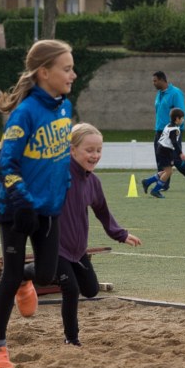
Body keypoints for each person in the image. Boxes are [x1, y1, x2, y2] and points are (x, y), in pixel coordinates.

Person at [0, 39, 75, 368]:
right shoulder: (24, 114)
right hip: (17, 210)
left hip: (49, 208)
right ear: (44, 72)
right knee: (8, 277)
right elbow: (6, 164)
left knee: (48, 273)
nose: (73, 75)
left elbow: (62, 156)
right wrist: (22, 202)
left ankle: (26, 278)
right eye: (67, 69)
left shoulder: (65, 107)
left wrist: (63, 190)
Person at [57, 123, 142, 347]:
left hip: (77, 249)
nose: (95, 155)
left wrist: (120, 234)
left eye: (99, 150)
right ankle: (72, 339)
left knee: (91, 290)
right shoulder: (56, 173)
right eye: (89, 150)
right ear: (72, 150)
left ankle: (27, 272)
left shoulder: (93, 183)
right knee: (71, 289)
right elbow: (22, 183)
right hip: (53, 245)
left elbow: (102, 212)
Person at [152, 71, 185, 190]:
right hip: (159, 130)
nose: (153, 83)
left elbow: (181, 112)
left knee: (176, 158)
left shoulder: (175, 93)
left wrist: (178, 130)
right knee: (160, 158)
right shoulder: (159, 94)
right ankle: (164, 184)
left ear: (162, 80)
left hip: (172, 131)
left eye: (155, 81)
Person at [142, 108, 185, 199]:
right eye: (182, 118)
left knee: (168, 171)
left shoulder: (169, 125)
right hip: (164, 151)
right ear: (177, 119)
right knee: (169, 171)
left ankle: (148, 182)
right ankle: (155, 190)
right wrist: (180, 153)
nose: (183, 120)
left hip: (163, 150)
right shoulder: (174, 129)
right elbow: (174, 142)